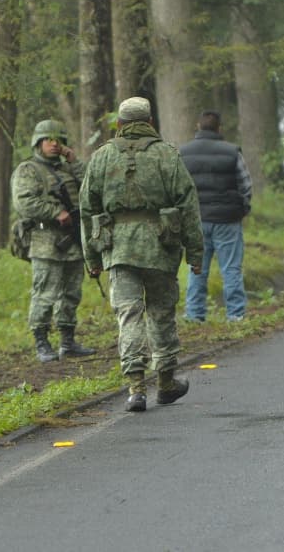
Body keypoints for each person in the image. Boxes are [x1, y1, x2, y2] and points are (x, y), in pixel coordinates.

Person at [80, 97, 204, 413]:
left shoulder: (101, 157)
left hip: (118, 248)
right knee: (161, 311)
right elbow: (187, 204)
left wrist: (91, 258)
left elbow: (87, 208)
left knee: (129, 314)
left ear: (119, 124)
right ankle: (165, 382)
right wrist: (195, 252)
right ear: (150, 123)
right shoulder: (166, 155)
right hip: (161, 246)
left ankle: (136, 388)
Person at [11, 119, 96, 363]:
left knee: (71, 292)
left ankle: (67, 341)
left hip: (72, 241)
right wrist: (54, 212)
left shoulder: (67, 168)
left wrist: (74, 160)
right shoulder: (29, 170)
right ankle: (42, 342)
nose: (53, 144)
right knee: (45, 293)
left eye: (58, 140)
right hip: (45, 240)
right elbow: (24, 202)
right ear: (37, 143)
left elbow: (91, 184)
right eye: (48, 139)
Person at [179, 111, 252, 323]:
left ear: (198, 127)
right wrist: (242, 209)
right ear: (219, 128)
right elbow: (246, 185)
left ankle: (194, 315)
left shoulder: (182, 153)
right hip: (227, 220)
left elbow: (179, 188)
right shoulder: (232, 152)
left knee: (197, 269)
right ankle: (236, 315)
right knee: (231, 269)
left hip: (196, 220)